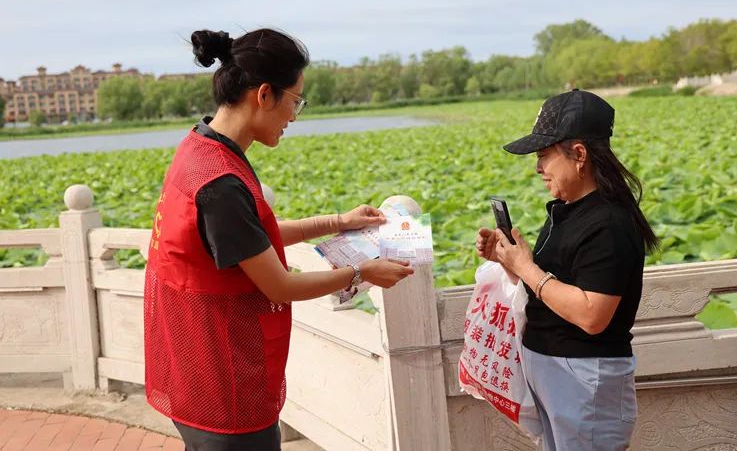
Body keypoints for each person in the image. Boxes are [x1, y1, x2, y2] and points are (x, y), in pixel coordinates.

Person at [143, 28, 414, 451]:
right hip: (224, 384)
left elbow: (247, 239)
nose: (294, 116)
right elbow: (279, 285)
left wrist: (337, 221)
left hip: (191, 367)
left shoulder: (200, 148)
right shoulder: (220, 184)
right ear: (264, 95)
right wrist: (363, 272)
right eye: (296, 101)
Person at [475, 89, 660, 450]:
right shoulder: (568, 209)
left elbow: (592, 314)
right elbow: (553, 288)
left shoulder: (608, 222)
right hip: (555, 374)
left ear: (579, 155)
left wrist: (527, 269)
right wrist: (509, 262)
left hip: (584, 379)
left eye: (544, 155)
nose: (538, 168)